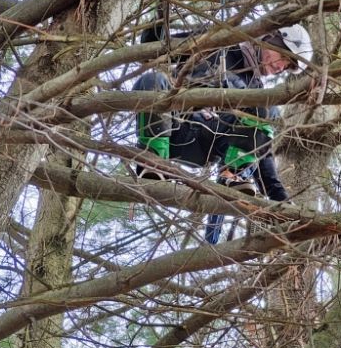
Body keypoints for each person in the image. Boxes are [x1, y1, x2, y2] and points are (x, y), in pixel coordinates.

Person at [132, 23, 313, 209]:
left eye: (287, 66)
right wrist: (158, 24)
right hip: (174, 126)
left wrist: (278, 197)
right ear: (269, 38)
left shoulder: (257, 93)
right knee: (152, 81)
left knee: (265, 106)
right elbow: (155, 49)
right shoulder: (217, 41)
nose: (280, 66)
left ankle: (232, 175)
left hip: (208, 144)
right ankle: (153, 162)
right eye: (283, 56)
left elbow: (262, 154)